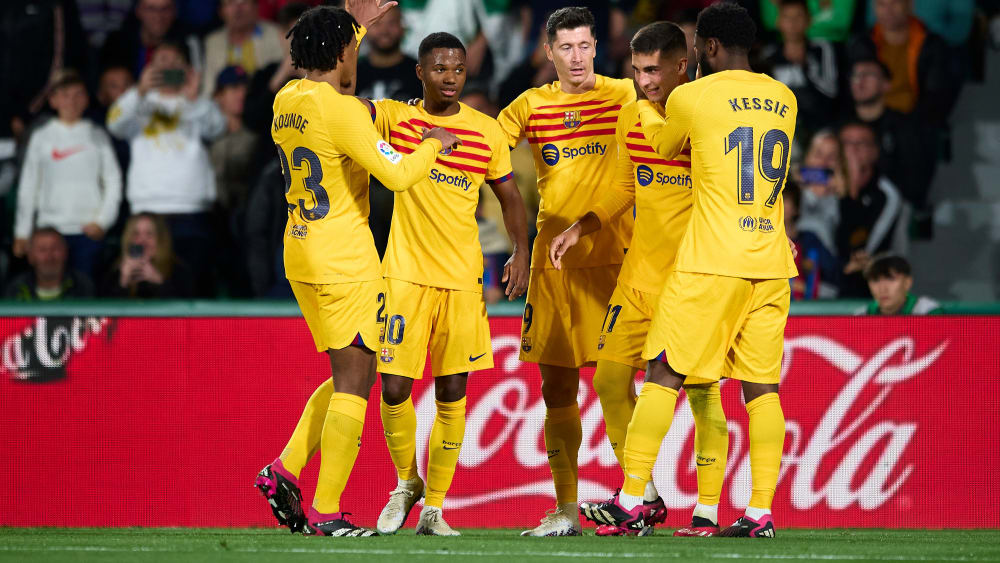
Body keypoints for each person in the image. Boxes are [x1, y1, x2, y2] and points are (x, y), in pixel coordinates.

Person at [582, 3, 798, 538]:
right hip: (771, 263)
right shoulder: (785, 98)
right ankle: (759, 512)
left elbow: (661, 145)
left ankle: (634, 498)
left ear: (707, 48)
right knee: (762, 391)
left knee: (661, 374)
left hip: (710, 263)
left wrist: (644, 106)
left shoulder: (691, 96)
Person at [253, 2, 461, 537]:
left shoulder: (286, 99)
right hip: (344, 256)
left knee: (348, 373)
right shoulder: (342, 112)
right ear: (340, 53)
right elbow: (398, 176)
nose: (356, 58)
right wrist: (435, 144)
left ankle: (284, 469)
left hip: (300, 250)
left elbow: (335, 78)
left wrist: (357, 28)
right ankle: (325, 507)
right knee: (355, 381)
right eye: (352, 48)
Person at [547, 21, 729, 537]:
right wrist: (580, 228)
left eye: (653, 70)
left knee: (703, 393)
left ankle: (709, 510)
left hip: (691, 279)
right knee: (608, 379)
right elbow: (626, 187)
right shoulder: (631, 115)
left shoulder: (704, 114)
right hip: (637, 276)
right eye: (636, 70)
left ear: (681, 65)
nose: (644, 81)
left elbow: (743, 186)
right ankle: (642, 495)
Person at [367, 32, 530, 537]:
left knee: (452, 390)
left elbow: (510, 198)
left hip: (462, 281)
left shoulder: (485, 131)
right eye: (440, 68)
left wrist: (522, 251)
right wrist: (350, 31)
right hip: (404, 275)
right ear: (420, 72)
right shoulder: (395, 117)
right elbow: (340, 102)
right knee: (394, 389)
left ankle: (434, 508)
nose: (451, 77)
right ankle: (405, 482)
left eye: (458, 69)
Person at [495, 6, 637, 537]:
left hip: (616, 263)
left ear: (596, 46)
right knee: (557, 389)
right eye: (566, 48)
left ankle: (636, 496)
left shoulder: (625, 95)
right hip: (551, 267)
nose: (576, 57)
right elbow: (484, 143)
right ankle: (567, 509)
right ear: (548, 53)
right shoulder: (531, 106)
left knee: (620, 383)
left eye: (584, 46)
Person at [106, 41, 226, 297]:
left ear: (187, 69)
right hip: (146, 212)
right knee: (143, 284)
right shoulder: (138, 103)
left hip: (191, 210)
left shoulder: (197, 102)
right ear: (149, 68)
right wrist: (138, 91)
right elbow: (114, 124)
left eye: (175, 62)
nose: (168, 67)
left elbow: (217, 128)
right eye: (161, 62)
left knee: (192, 285)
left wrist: (193, 100)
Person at [13, 70, 122, 280]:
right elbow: (28, 185)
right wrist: (22, 232)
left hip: (87, 231)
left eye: (78, 94)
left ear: (86, 99)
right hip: (48, 230)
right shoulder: (41, 137)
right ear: (53, 100)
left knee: (85, 296)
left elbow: (113, 181)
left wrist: (103, 221)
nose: (71, 101)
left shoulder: (98, 135)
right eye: (65, 95)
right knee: (48, 294)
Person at [844, 58, 935, 210]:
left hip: (891, 204)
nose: (859, 81)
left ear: (886, 85)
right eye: (855, 75)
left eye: (868, 75)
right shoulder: (840, 125)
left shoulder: (905, 127)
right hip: (840, 201)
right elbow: (813, 170)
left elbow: (916, 182)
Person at [836, 121, 903, 298]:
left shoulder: (887, 194)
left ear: (875, 152)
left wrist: (851, 192)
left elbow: (865, 249)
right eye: (846, 143)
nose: (852, 150)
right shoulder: (822, 185)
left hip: (864, 284)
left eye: (861, 143)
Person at [760, 0, 837, 138]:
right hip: (780, 129)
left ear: (809, 20)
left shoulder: (821, 49)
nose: (792, 23)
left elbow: (831, 91)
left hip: (818, 125)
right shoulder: (769, 55)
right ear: (778, 22)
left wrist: (805, 66)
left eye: (798, 17)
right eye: (787, 17)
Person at [100, 212, 195, 298]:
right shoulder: (114, 269)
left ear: (160, 239)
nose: (142, 241)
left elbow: (185, 311)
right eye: (136, 234)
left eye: (149, 234)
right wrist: (123, 282)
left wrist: (160, 282)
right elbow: (103, 311)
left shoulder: (179, 270)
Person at [202, 0, 285, 96]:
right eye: (230, 3)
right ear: (221, 11)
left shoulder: (277, 35)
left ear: (256, 7)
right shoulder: (212, 42)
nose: (237, 9)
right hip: (223, 109)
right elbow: (208, 90)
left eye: (244, 2)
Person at [783, 180, 840, 299]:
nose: (778, 203)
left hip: (808, 309)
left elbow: (833, 274)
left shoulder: (810, 240)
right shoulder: (761, 241)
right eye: (775, 199)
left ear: (796, 208)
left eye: (785, 199)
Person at [3, 228, 95, 301]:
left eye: (55, 249)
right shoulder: (16, 288)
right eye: (42, 250)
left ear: (66, 252)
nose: (49, 257)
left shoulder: (82, 286)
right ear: (30, 256)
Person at [355, 5, 422, 101]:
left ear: (403, 28)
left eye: (392, 23)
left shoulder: (420, 74)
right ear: (365, 30)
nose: (384, 31)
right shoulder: (354, 74)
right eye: (377, 24)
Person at [858, 254, 941, 315]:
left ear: (907, 282)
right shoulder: (863, 315)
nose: (882, 289)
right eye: (875, 280)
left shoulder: (928, 312)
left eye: (891, 279)